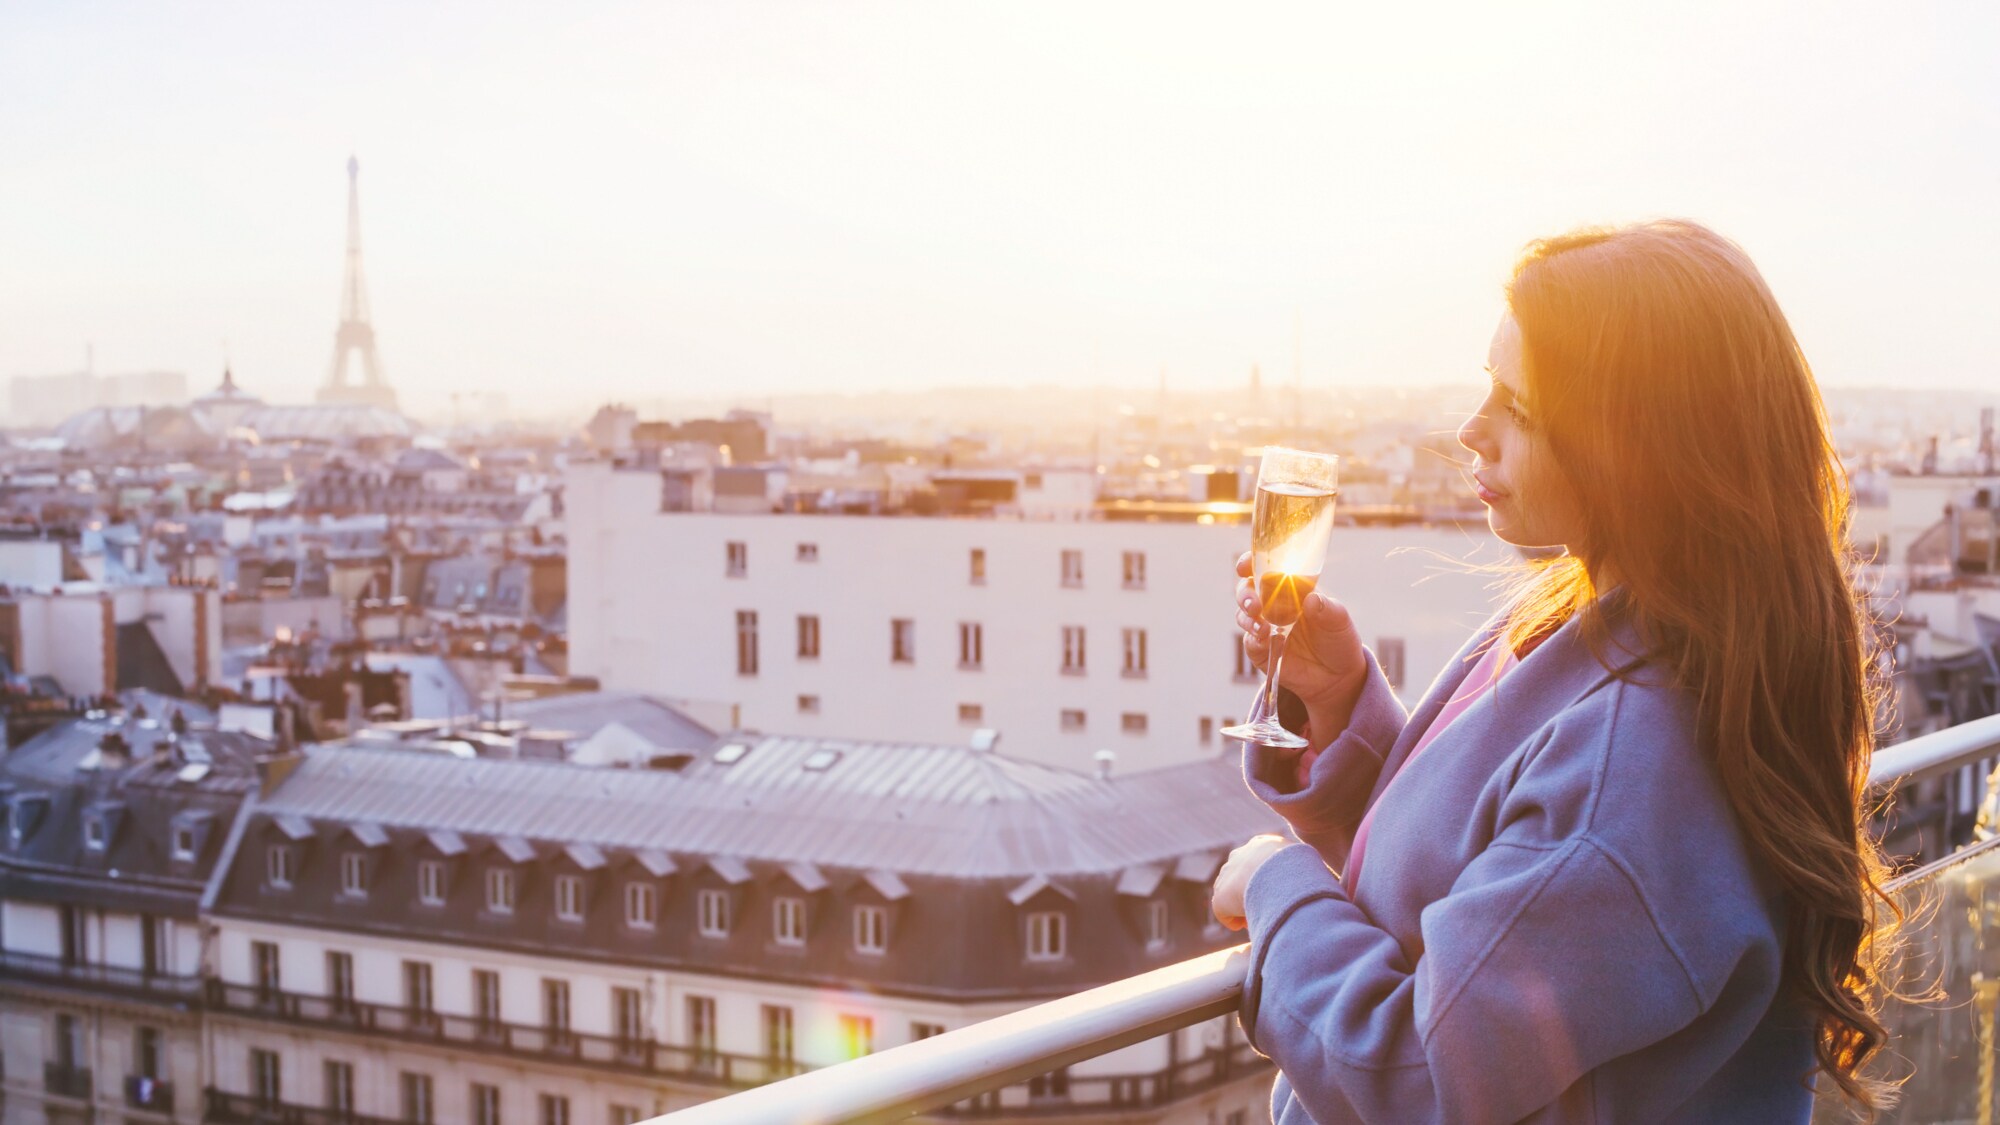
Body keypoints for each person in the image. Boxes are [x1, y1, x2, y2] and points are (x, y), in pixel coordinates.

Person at [1210, 220, 1896, 1124]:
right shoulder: (1617, 623)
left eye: (1518, 409)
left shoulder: (1639, 750)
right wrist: (1344, 705)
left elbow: (1421, 1076)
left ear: (1635, 449)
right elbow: (1494, 876)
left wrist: (1274, 884)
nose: (1471, 431)